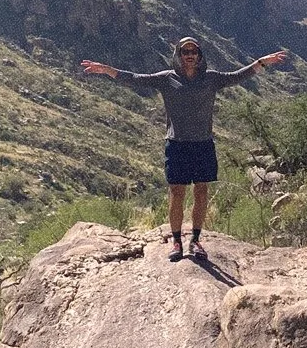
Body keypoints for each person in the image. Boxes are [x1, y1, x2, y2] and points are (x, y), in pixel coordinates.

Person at [81, 37, 289, 262]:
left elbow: (238, 76)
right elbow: (135, 79)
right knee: (177, 193)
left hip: (203, 144)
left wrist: (262, 62)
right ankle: (177, 240)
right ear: (178, 55)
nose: (189, 55)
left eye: (193, 51)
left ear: (200, 56)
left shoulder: (211, 78)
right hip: (177, 144)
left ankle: (196, 240)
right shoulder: (166, 79)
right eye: (185, 51)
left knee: (201, 192)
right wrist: (107, 70)